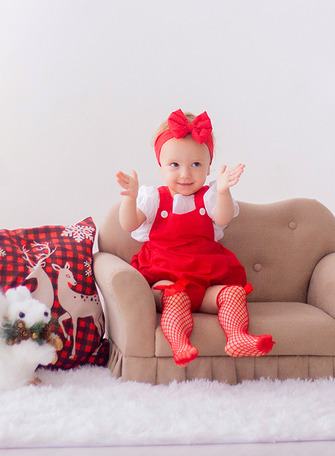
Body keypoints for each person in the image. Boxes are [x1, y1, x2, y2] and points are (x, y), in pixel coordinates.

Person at [115, 109, 275, 367]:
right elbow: (128, 223)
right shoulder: (155, 198)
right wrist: (130, 198)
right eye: (174, 165)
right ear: (161, 167)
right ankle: (179, 343)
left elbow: (222, 219)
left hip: (206, 279)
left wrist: (223, 191)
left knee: (233, 293)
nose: (185, 174)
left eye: (196, 165)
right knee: (174, 296)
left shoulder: (209, 197)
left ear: (209, 167)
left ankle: (236, 337)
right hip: (164, 275)